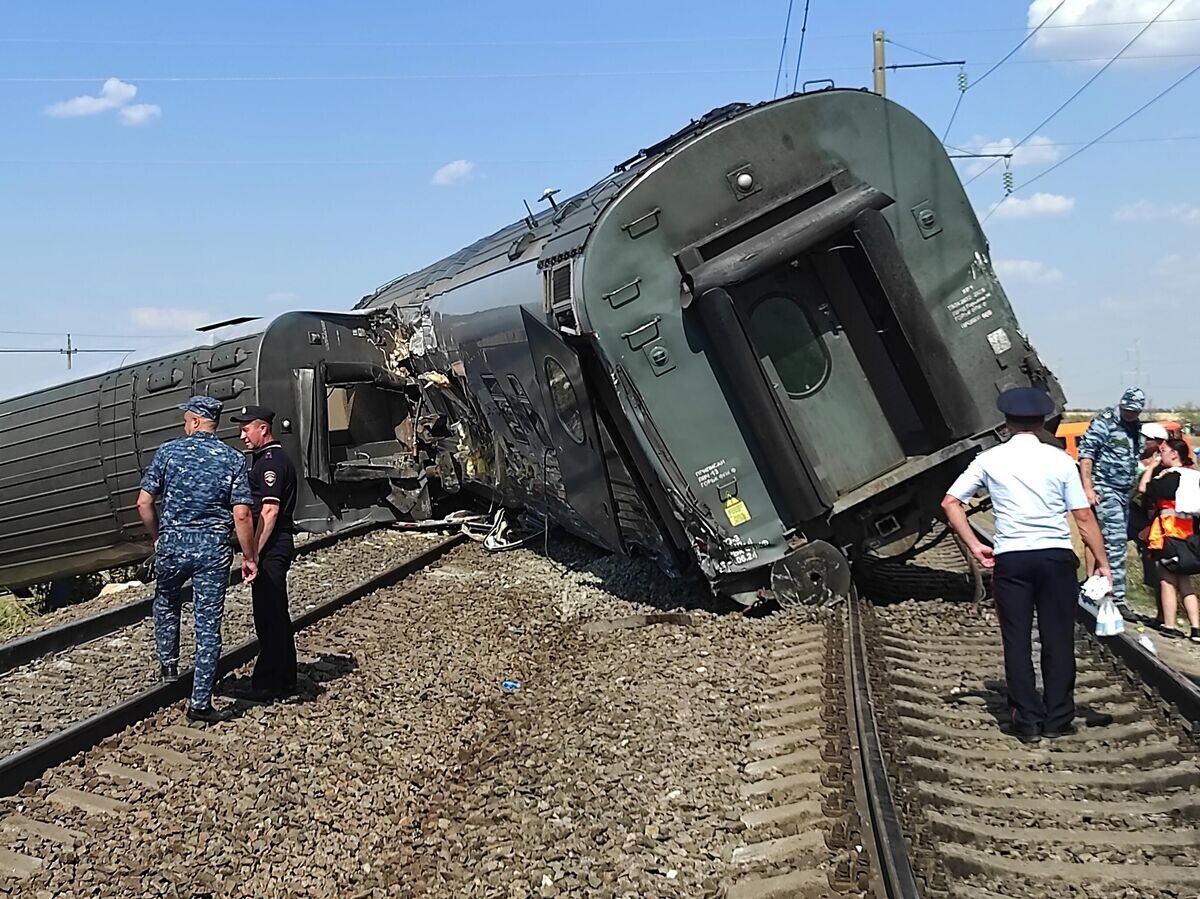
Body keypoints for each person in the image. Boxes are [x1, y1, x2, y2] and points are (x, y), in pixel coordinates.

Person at [941, 387, 1112, 744]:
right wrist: (1102, 561)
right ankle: (1058, 717)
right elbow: (1082, 516)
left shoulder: (990, 460)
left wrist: (975, 545)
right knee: (1058, 637)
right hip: (1055, 558)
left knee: (1016, 640)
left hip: (1012, 559)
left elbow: (950, 502)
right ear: (1041, 422)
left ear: (1006, 422)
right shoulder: (1060, 460)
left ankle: (1027, 720)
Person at [136, 396, 258, 723]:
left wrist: (157, 537)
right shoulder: (233, 459)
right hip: (212, 549)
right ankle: (200, 702)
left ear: (192, 422)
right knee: (207, 624)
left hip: (173, 544)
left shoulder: (168, 452)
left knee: (166, 602)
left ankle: (169, 665)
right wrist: (249, 556)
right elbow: (243, 515)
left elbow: (144, 503)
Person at [229, 404, 299, 701]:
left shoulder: (270, 463)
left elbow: (269, 511)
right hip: (273, 543)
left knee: (269, 614)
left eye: (246, 429)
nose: (242, 436)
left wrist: (253, 554)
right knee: (275, 613)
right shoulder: (265, 459)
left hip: (271, 544)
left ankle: (269, 682)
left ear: (262, 429)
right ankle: (284, 677)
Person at [1078, 387, 1146, 616]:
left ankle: (1095, 590)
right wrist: (1088, 487)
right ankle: (1116, 598)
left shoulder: (1135, 428)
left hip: (1123, 491)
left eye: (1134, 412)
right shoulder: (1105, 422)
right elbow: (1087, 454)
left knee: (1112, 542)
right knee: (1115, 541)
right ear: (1121, 405)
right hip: (1105, 488)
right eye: (1127, 410)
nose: (1130, 414)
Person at [1139, 438, 1200, 641]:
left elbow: (1144, 488)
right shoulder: (1194, 476)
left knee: (1167, 580)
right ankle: (1196, 627)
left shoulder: (1170, 477)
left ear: (1174, 454)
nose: (1160, 454)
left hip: (1168, 532)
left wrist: (1153, 468)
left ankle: (1170, 624)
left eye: (1163, 451)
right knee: (1185, 582)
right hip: (1189, 534)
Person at [1130, 423, 1170, 608]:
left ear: (1158, 443)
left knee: (1156, 566)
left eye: (1147, 439)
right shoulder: (1130, 459)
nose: (1142, 442)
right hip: (1132, 514)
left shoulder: (1163, 467)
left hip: (1153, 519)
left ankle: (1162, 613)